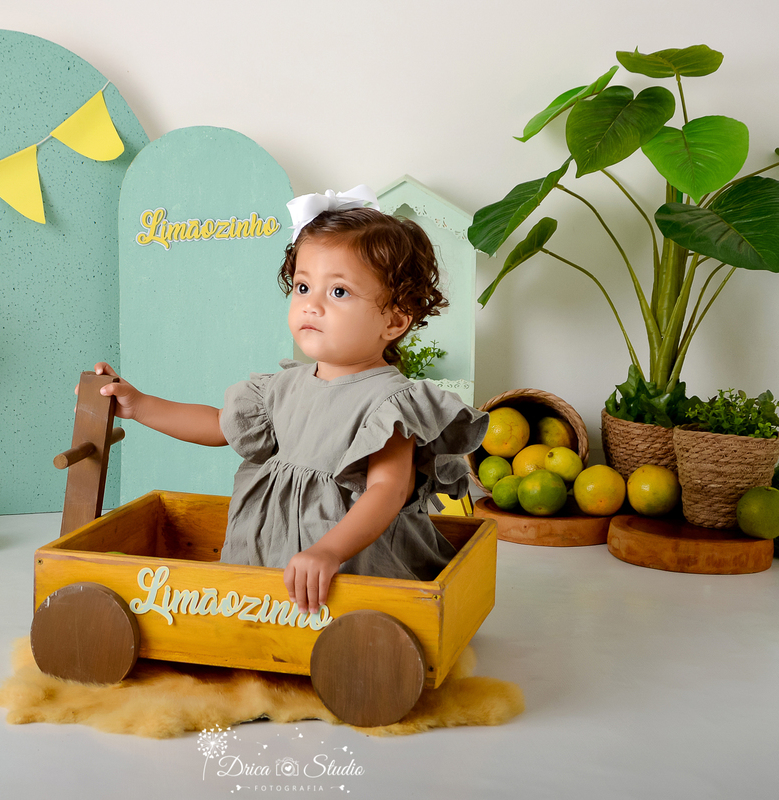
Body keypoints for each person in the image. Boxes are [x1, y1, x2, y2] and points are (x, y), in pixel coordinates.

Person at [88, 186, 487, 616]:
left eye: (338, 292)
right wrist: (141, 405)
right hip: (267, 556)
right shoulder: (282, 387)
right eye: (302, 286)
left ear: (394, 319)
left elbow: (388, 490)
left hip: (346, 565)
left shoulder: (391, 403)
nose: (311, 305)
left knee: (350, 618)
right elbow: (218, 426)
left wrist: (329, 551)